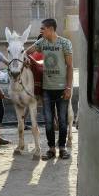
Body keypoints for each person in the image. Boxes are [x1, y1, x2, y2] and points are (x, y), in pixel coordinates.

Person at [26, 18, 73, 160]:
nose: (41, 31)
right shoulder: (41, 42)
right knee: (48, 120)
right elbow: (27, 52)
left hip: (62, 88)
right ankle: (51, 149)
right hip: (47, 89)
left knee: (63, 120)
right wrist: (28, 60)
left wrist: (69, 87)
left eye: (43, 29)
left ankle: (62, 148)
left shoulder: (65, 43)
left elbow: (70, 67)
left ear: (51, 29)